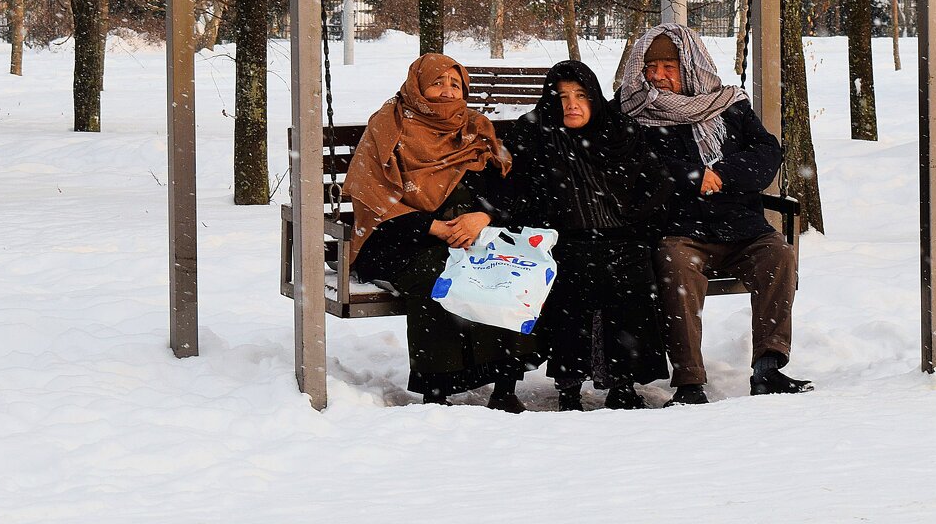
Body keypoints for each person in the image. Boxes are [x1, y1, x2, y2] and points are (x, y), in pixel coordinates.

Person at [617, 23, 813, 405]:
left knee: (778, 254)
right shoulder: (633, 110)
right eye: (650, 67)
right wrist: (692, 176)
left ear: (690, 66)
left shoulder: (729, 105)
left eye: (668, 67)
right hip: (679, 229)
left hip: (742, 228)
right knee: (676, 266)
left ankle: (768, 367)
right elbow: (635, 165)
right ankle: (690, 380)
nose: (658, 76)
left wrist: (722, 174)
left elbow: (767, 154)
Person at [343, 53, 540, 412]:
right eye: (438, 83)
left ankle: (504, 384)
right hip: (400, 240)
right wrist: (429, 226)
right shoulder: (388, 126)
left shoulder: (475, 126)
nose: (448, 92)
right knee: (440, 273)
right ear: (418, 86)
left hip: (473, 234)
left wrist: (484, 217)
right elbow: (374, 198)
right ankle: (438, 388)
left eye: (456, 84)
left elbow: (508, 188)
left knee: (506, 271)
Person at [505, 60, 671, 411]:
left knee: (629, 275)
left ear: (594, 97)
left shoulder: (619, 132)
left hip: (621, 237)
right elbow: (516, 191)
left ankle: (623, 383)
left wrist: (634, 223)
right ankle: (569, 385)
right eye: (562, 96)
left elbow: (654, 186)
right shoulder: (535, 132)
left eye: (580, 95)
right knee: (573, 278)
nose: (572, 104)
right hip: (559, 240)